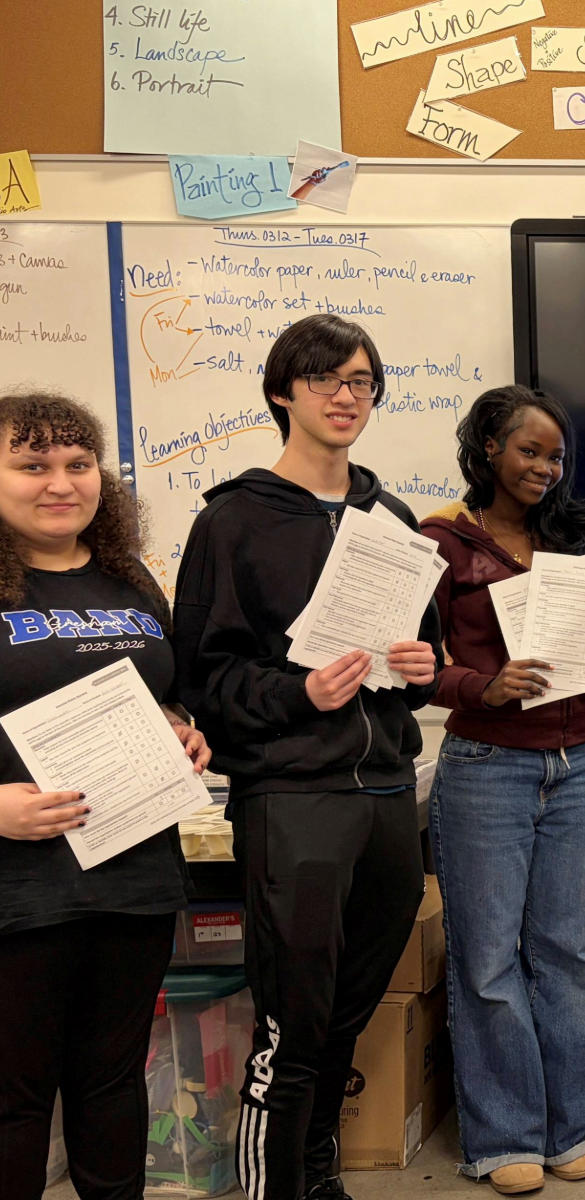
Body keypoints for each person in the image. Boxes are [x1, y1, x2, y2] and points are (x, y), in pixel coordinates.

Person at [173, 314, 442, 1200]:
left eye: (361, 381)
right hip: (294, 799)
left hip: (386, 794)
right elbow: (205, 682)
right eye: (325, 379)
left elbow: (420, 662)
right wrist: (299, 694)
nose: (344, 396)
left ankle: (320, 1182)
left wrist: (417, 670)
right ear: (283, 391)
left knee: (341, 1025)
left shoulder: (392, 515)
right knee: (290, 1029)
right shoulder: (234, 521)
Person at [0, 392, 211, 1200]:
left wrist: (181, 729)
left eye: (78, 464)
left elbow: (168, 695)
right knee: (15, 1101)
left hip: (131, 874)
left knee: (112, 1081)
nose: (61, 482)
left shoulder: (129, 583)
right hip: (18, 890)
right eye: (32, 465)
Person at [420, 386, 585, 1195]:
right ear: (487, 452)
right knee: (487, 958)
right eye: (529, 451)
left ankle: (568, 1128)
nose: (545, 467)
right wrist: (482, 686)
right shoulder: (439, 541)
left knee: (574, 955)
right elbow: (405, 669)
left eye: (556, 455)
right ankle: (504, 1136)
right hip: (485, 768)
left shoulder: (577, 540)